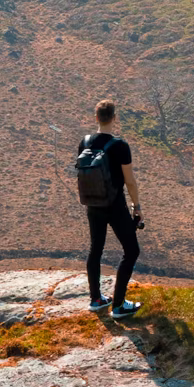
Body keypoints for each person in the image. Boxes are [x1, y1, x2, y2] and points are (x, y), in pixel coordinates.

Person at [77, 99, 142, 318]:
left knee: (96, 249)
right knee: (131, 250)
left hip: (92, 204)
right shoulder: (120, 145)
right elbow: (130, 181)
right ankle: (119, 304)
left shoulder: (84, 142)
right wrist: (137, 206)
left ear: (96, 117)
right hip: (115, 205)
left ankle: (96, 299)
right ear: (114, 118)